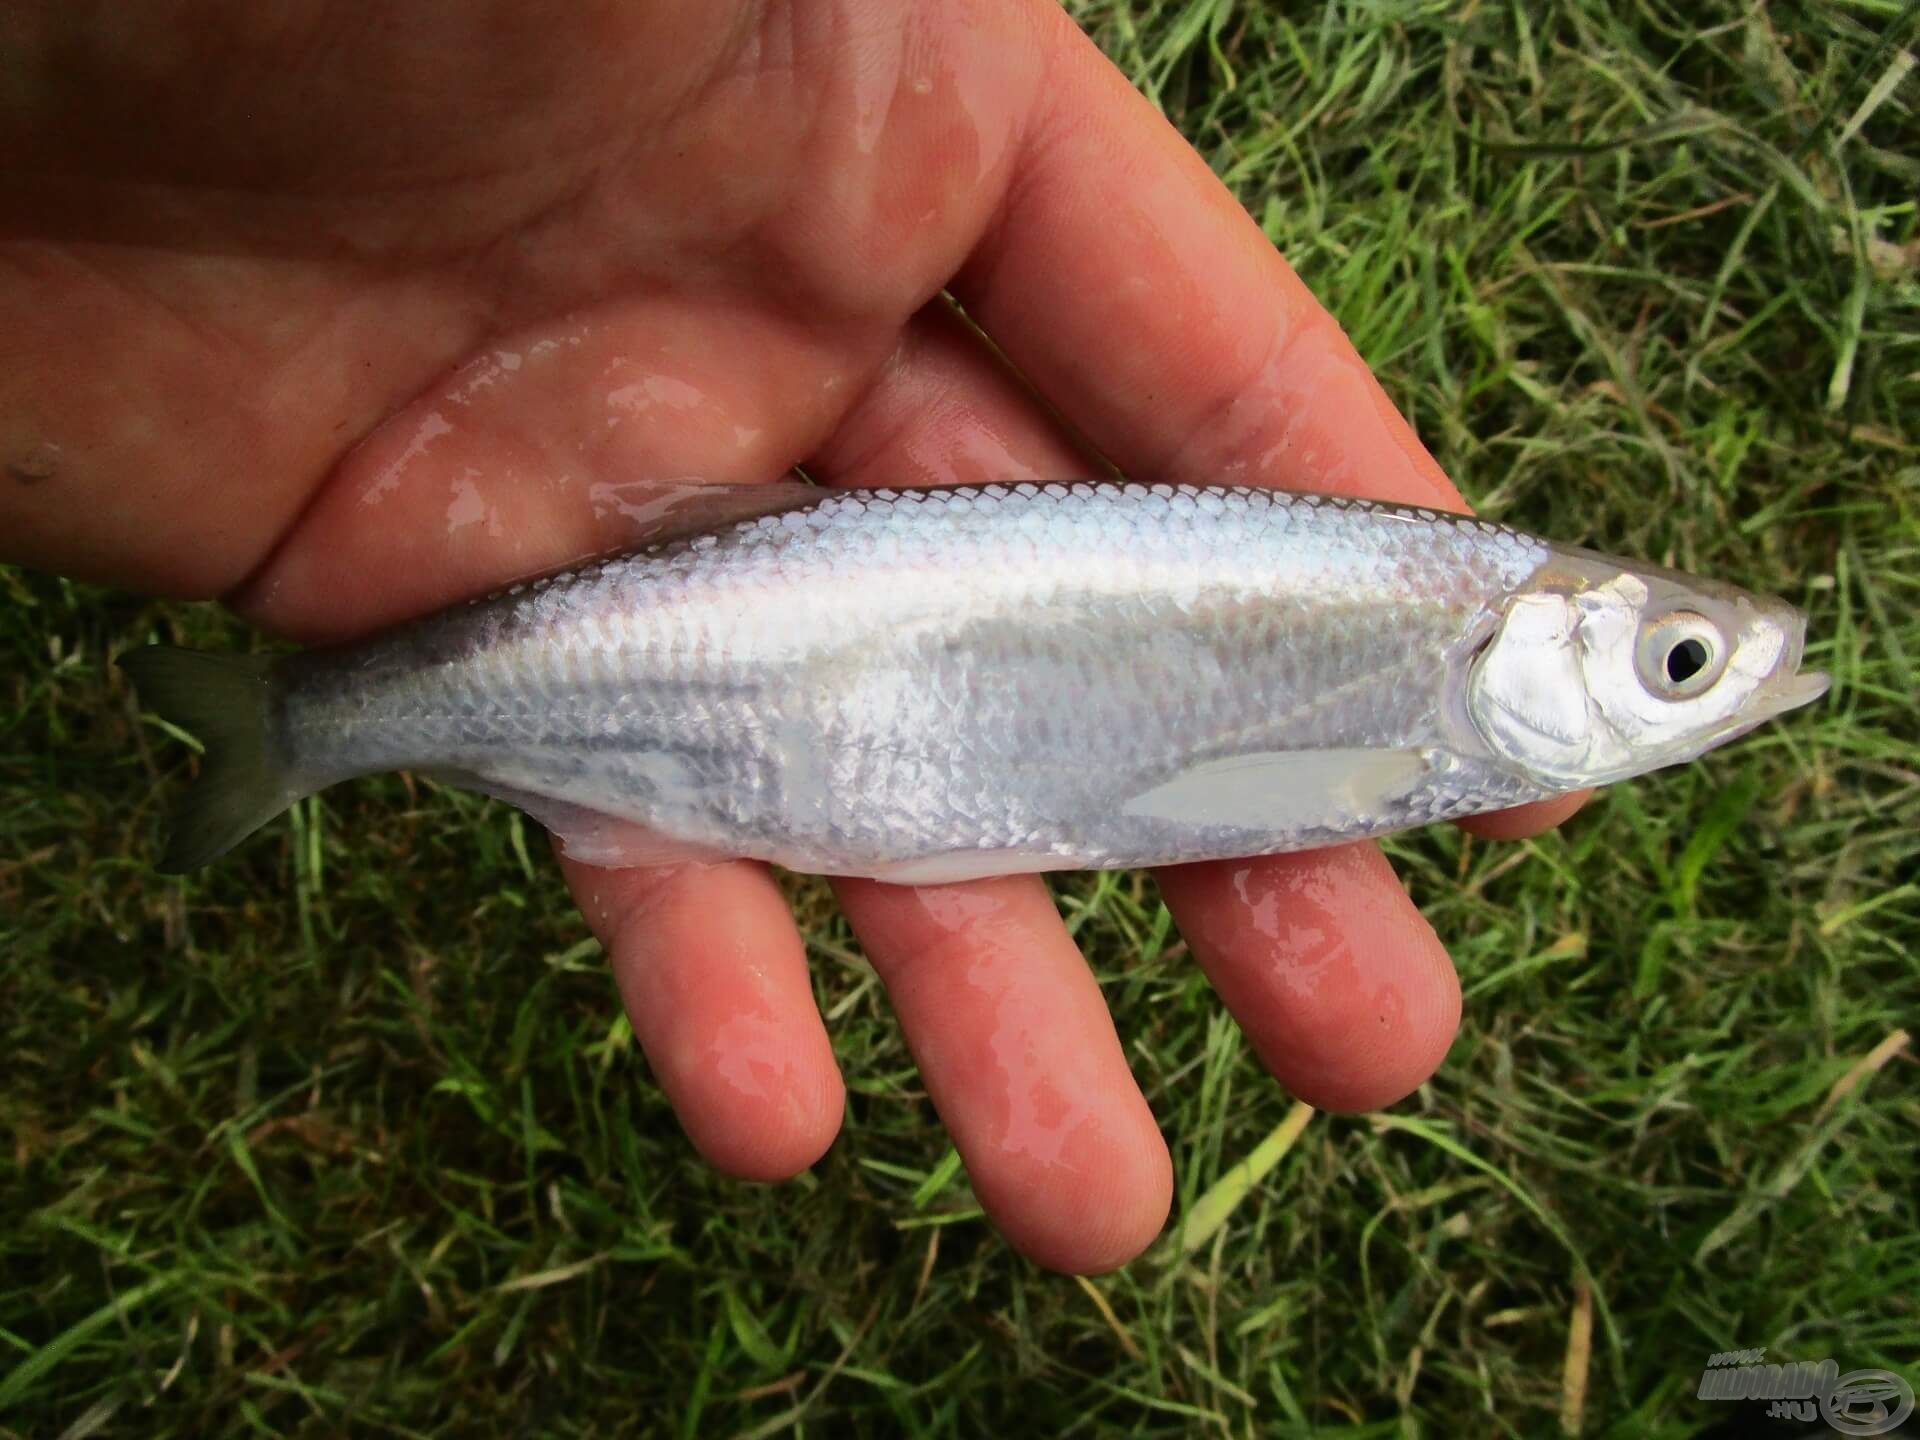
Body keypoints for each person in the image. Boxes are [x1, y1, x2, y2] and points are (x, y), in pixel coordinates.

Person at [0, 1, 1584, 1273]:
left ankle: (302, 722)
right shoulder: (1415, 668)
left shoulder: (1411, 683)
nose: (1697, 690)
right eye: (1675, 666)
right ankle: (305, 722)